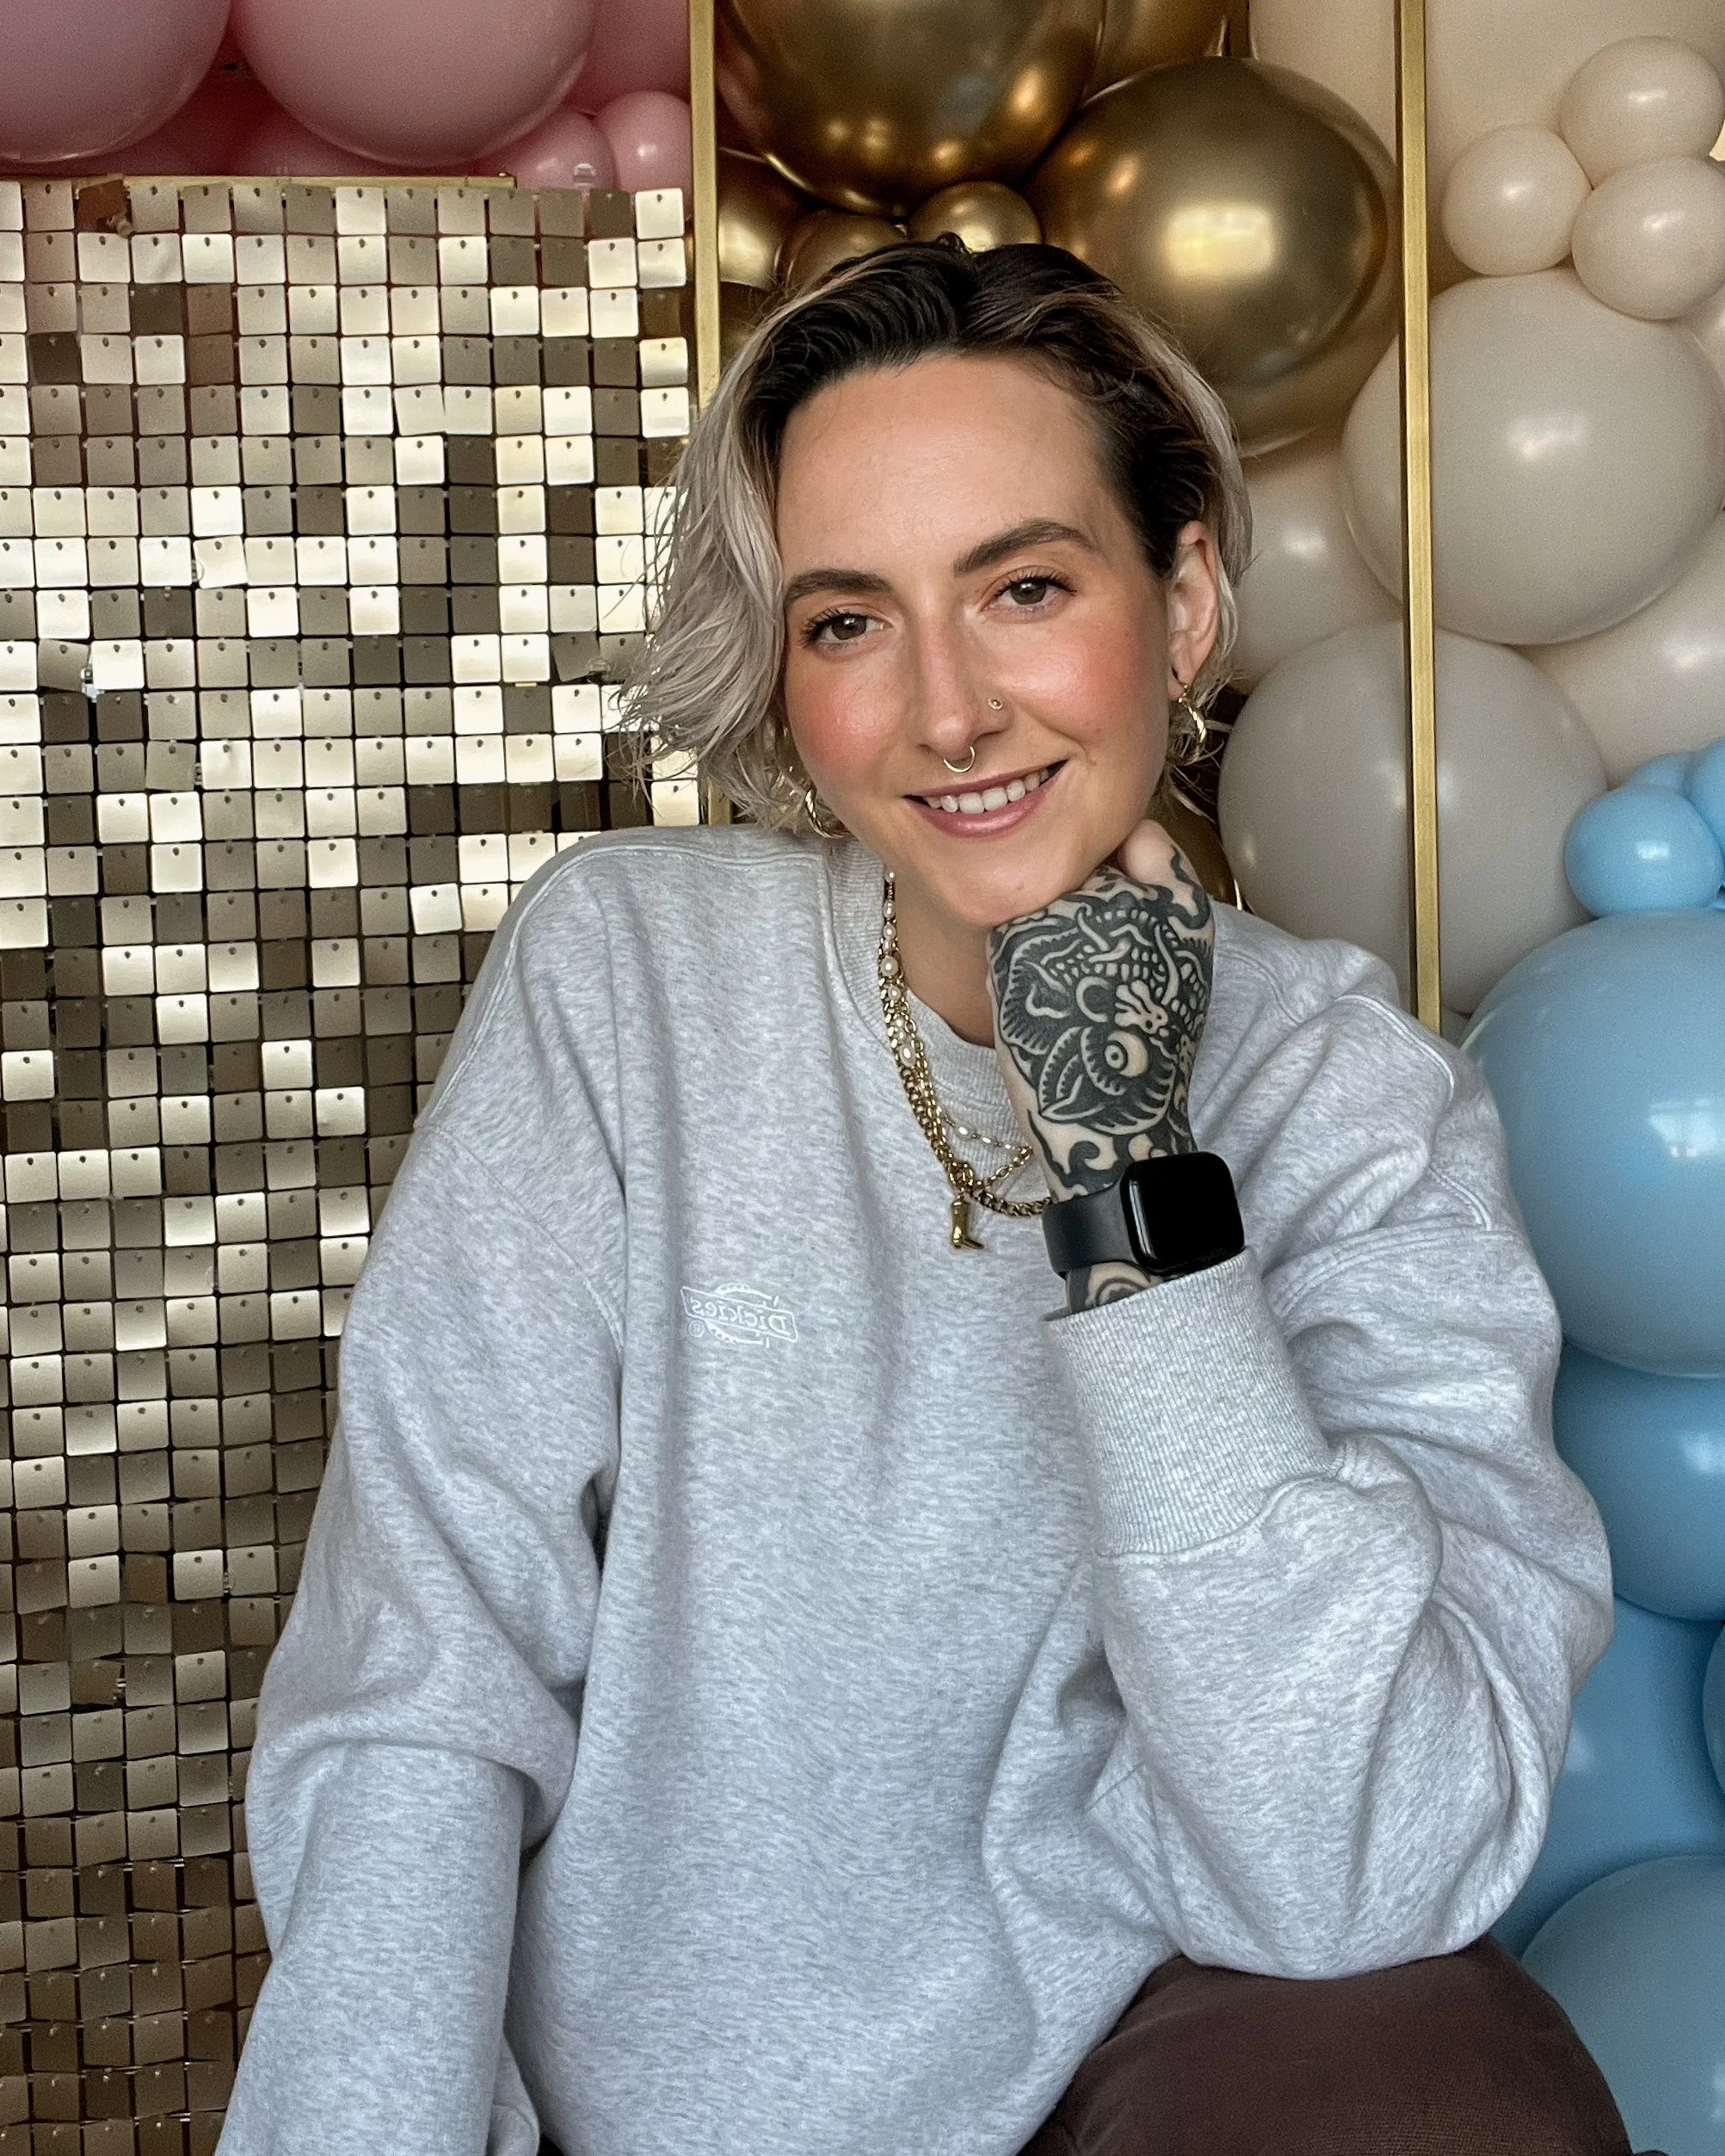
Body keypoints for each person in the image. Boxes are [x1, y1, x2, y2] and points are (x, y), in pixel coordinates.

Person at [217, 240, 1641, 2156]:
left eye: (1027, 586)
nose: (950, 710)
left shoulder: (1358, 1107)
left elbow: (1361, 1857)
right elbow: (423, 1669)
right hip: (635, 2098)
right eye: (848, 621)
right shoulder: (631, 978)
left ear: (1189, 588)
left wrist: (1130, 1166)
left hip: (1109, 2085)